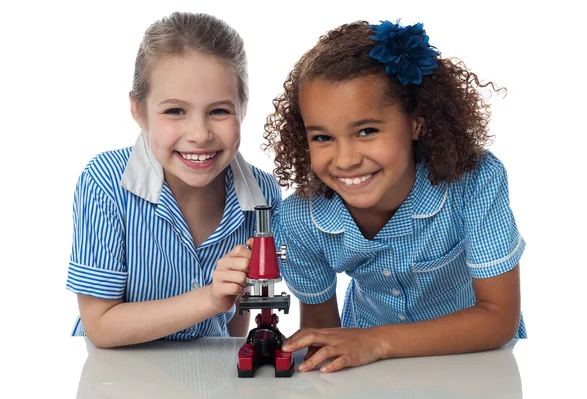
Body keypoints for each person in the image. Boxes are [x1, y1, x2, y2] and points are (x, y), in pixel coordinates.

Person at [263, 19, 526, 373]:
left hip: (474, 363)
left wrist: (377, 341)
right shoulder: (300, 220)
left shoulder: (475, 183)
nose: (345, 160)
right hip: (370, 372)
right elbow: (323, 336)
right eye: (323, 138)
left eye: (366, 131)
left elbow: (498, 318)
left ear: (417, 122)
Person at [65, 11, 281, 348]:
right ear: (139, 111)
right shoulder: (106, 181)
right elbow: (100, 325)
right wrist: (208, 298)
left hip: (203, 378)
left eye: (219, 111)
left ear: (243, 108)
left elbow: (238, 313)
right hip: (113, 377)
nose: (199, 134)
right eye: (175, 111)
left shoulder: (262, 193)